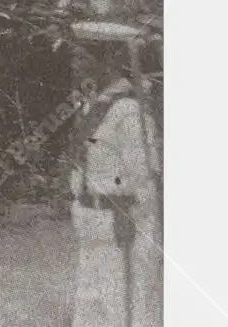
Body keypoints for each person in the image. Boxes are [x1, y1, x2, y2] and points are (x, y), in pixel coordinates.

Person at [69, 22, 161, 327]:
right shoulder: (95, 107)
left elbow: (143, 175)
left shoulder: (129, 112)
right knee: (89, 310)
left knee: (122, 311)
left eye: (82, 57)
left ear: (105, 60)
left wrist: (130, 215)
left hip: (120, 227)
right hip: (91, 224)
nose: (75, 64)